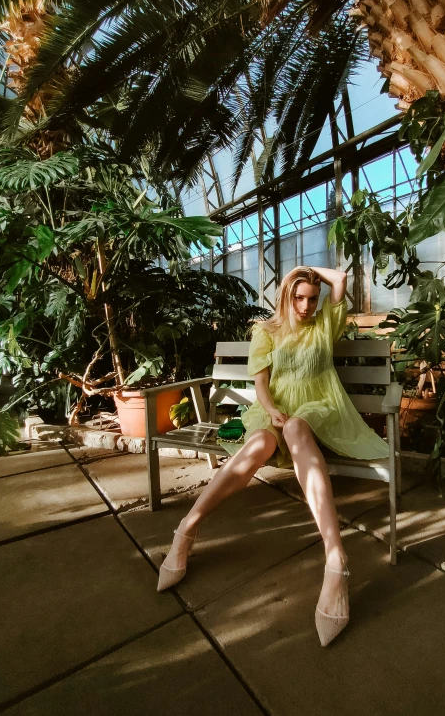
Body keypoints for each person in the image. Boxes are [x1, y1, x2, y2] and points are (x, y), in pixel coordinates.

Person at [157, 266, 389, 647]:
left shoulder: (324, 324)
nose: (306, 305)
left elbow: (342, 280)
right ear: (285, 296)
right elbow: (262, 386)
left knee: (297, 428)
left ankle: (336, 559)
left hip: (319, 408)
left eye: (312, 298)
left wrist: (311, 273)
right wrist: (271, 410)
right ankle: (187, 528)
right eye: (298, 297)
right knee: (258, 445)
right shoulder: (264, 331)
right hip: (273, 408)